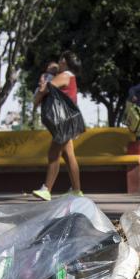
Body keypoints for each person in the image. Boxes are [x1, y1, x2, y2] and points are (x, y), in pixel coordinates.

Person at [32, 51, 83, 201]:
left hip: (63, 121)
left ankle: (46, 189)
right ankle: (76, 190)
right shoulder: (70, 76)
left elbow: (44, 89)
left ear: (64, 61)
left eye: (61, 59)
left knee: (53, 154)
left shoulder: (65, 75)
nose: (59, 61)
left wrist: (39, 93)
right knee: (69, 156)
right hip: (68, 120)